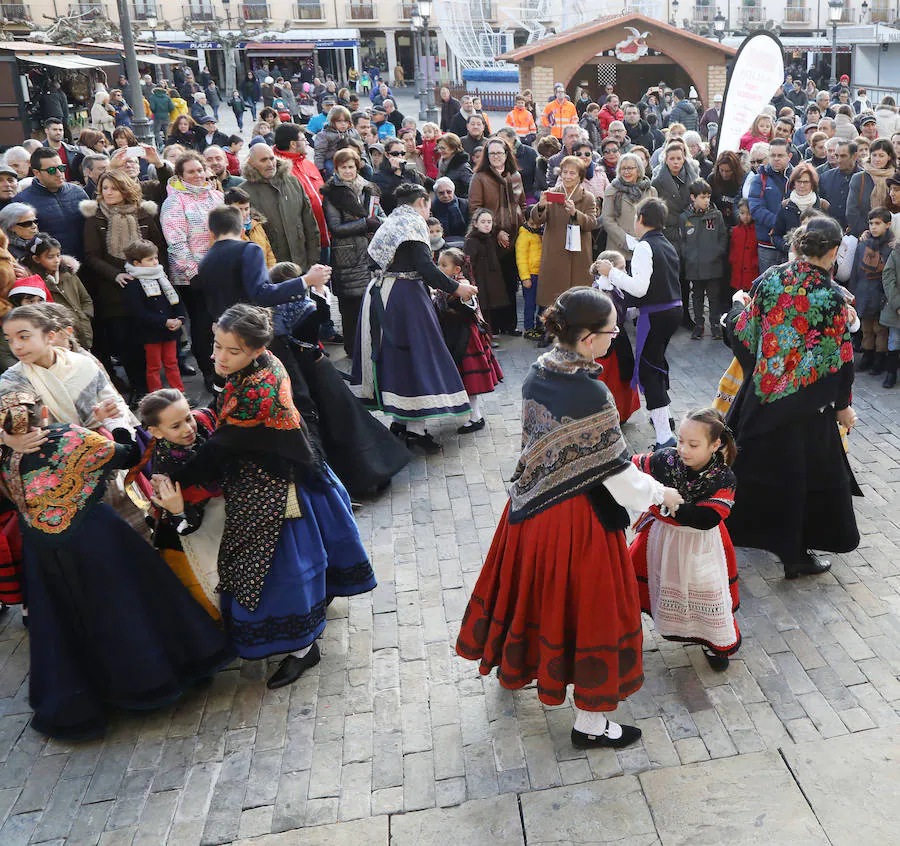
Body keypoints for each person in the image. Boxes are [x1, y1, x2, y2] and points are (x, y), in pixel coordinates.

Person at [455, 287, 683, 749]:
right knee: (595, 613)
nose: (615, 337)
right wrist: (663, 494)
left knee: (529, 597)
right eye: (610, 331)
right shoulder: (591, 392)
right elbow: (617, 476)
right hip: (577, 521)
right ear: (585, 340)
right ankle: (592, 726)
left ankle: (514, 668)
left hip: (528, 510)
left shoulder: (540, 369)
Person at [156, 304, 376, 688]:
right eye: (217, 345)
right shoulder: (262, 363)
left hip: (273, 486)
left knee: (273, 572)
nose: (218, 357)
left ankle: (304, 648)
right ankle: (315, 612)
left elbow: (221, 448)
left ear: (257, 349)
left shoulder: (255, 390)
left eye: (231, 351)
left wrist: (178, 478)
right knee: (304, 558)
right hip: (291, 465)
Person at [0, 386, 233, 739]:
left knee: (64, 619)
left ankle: (89, 694)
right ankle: (151, 679)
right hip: (95, 537)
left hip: (42, 549)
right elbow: (127, 456)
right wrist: (112, 422)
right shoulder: (71, 437)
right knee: (126, 604)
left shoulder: (5, 455)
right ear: (42, 413)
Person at [724, 216, 859, 579]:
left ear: (798, 244)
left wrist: (735, 309)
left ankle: (732, 533)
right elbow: (840, 358)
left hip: (762, 397)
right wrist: (843, 406)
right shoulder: (832, 297)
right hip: (807, 406)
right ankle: (795, 555)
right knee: (803, 480)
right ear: (832, 251)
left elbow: (745, 335)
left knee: (757, 470)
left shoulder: (771, 278)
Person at [350, 183, 477, 450]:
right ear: (421, 201)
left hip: (381, 293)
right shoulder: (413, 223)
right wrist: (458, 288)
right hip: (403, 298)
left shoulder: (392, 220)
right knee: (418, 355)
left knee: (395, 356)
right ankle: (416, 430)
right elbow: (425, 267)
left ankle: (401, 421)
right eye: (428, 203)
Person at [629, 408, 741, 671]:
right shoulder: (664, 460)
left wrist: (671, 503)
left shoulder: (724, 478)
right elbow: (631, 467)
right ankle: (624, 635)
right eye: (680, 440)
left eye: (693, 444)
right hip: (658, 538)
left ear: (715, 444)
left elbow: (707, 520)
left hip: (700, 546)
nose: (683, 449)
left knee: (705, 591)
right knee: (630, 583)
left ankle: (713, 641)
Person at [597, 198, 683, 449]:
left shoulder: (646, 246)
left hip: (656, 314)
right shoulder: (664, 243)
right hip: (672, 311)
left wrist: (610, 273)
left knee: (648, 370)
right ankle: (664, 419)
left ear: (641, 219)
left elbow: (640, 287)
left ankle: (664, 437)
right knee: (657, 364)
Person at [159, 151, 223, 389]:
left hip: (220, 270)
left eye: (199, 170)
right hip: (192, 276)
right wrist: (194, 271)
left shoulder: (216, 196)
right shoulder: (175, 201)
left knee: (223, 319)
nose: (197, 175)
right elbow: (175, 241)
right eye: (191, 172)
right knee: (203, 323)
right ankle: (208, 371)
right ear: (180, 175)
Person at [320, 147, 382, 356]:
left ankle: (371, 345)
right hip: (347, 254)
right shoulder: (331, 193)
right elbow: (336, 228)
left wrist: (375, 222)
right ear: (336, 169)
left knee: (370, 301)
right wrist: (366, 223)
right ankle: (353, 349)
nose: (348, 171)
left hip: (370, 253)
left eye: (351, 167)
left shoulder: (368, 188)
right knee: (350, 305)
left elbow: (381, 215)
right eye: (343, 167)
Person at [435, 247, 502, 434]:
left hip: (465, 337)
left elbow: (469, 308)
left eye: (444, 265)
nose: (439, 268)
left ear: (457, 269)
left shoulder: (461, 285)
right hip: (454, 335)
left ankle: (475, 417)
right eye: (439, 264)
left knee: (469, 377)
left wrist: (453, 301)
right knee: (462, 377)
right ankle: (471, 414)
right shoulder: (448, 285)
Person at [531, 154, 598, 328]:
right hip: (555, 251)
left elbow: (592, 223)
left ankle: (576, 329)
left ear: (580, 176)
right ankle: (550, 329)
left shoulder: (588, 197)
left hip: (579, 253)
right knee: (551, 295)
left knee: (578, 295)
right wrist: (541, 206)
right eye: (565, 172)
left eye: (572, 173)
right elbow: (537, 220)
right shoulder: (552, 193)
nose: (567, 176)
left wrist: (576, 213)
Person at [469, 138, 526, 335]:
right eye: (492, 153)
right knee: (494, 283)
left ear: (507, 154)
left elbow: (522, 205)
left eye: (500, 153)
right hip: (490, 239)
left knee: (511, 282)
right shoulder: (480, 178)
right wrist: (496, 231)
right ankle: (494, 327)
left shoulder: (516, 176)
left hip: (515, 237)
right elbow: (475, 209)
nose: (496, 157)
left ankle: (510, 325)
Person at [241, 144, 320, 272]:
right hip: (271, 271)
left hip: (302, 266)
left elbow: (310, 225)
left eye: (271, 158)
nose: (270, 164)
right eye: (263, 160)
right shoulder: (244, 192)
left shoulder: (293, 182)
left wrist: (313, 261)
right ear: (251, 163)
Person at [122, 238, 185, 393]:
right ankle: (157, 396)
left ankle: (179, 393)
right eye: (150, 259)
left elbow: (176, 300)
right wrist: (164, 321)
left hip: (169, 332)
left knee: (172, 362)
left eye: (156, 258)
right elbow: (138, 312)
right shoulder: (133, 284)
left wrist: (180, 318)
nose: (155, 262)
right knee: (154, 366)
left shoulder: (161, 276)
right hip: (150, 334)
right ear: (136, 263)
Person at [18, 148, 88, 261]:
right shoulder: (22, 201)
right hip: (52, 268)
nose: (59, 174)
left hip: (87, 262)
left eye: (61, 168)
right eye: (51, 170)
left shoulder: (78, 192)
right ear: (36, 173)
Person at [25, 233, 93, 349]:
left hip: (83, 331)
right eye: (50, 257)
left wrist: (84, 315)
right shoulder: (35, 283)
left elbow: (85, 299)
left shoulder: (69, 274)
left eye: (58, 255)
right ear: (36, 259)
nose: (56, 260)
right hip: (59, 339)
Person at [681, 179, 728, 341]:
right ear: (693, 197)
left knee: (714, 296)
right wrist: (688, 255)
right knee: (697, 296)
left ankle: (715, 325)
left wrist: (718, 252)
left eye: (708, 197)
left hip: (713, 264)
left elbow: (723, 236)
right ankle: (699, 325)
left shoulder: (716, 215)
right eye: (703, 197)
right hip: (694, 265)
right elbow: (682, 241)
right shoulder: (685, 217)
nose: (706, 200)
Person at [850, 207, 894, 377]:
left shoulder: (892, 247)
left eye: (878, 223)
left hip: (882, 294)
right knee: (867, 329)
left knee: (880, 330)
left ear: (888, 224)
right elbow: (855, 270)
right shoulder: (863, 245)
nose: (874, 227)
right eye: (871, 223)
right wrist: (853, 292)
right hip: (864, 293)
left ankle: (879, 359)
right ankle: (867, 356)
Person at [748, 137, 793, 274]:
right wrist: (779, 224)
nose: (776, 159)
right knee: (768, 289)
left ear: (789, 156)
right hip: (768, 244)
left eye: (780, 155)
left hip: (792, 244)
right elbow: (756, 209)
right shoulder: (759, 179)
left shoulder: (798, 177)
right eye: (773, 155)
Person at [602, 153, 658, 260]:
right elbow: (607, 219)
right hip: (618, 250)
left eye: (630, 168)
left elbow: (655, 220)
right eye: (623, 168)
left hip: (644, 247)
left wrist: (644, 239)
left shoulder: (650, 191)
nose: (626, 172)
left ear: (638, 170)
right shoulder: (612, 190)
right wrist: (626, 240)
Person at [464, 208, 508, 334]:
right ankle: (485, 336)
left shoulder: (490, 239)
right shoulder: (471, 241)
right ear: (475, 224)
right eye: (483, 221)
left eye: (489, 221)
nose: (487, 224)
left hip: (491, 279)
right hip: (480, 280)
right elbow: (469, 264)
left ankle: (489, 334)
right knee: (482, 308)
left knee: (490, 308)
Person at [771, 163, 827, 260]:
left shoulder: (822, 205)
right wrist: (788, 247)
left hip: (816, 260)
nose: (802, 185)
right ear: (793, 183)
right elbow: (775, 236)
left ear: (812, 184)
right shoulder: (785, 206)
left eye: (806, 182)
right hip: (790, 261)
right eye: (798, 181)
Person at [847, 137, 896, 237]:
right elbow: (852, 211)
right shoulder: (859, 178)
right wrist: (864, 231)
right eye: (874, 155)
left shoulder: (896, 178)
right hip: (865, 234)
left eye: (881, 156)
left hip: (893, 234)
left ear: (889, 156)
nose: (877, 159)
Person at [224, 186, 276, 268]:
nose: (244, 213)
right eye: (239, 209)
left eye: (246, 209)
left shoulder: (256, 225)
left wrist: (271, 274)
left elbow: (269, 252)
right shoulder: (224, 231)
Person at [372, 137, 425, 215]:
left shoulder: (410, 172)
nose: (400, 156)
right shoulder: (378, 176)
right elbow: (388, 199)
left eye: (403, 153)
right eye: (395, 154)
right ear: (387, 155)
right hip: (391, 215)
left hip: (413, 214)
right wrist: (397, 174)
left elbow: (420, 192)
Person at [516, 213, 543, 340]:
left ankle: (540, 325)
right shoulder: (524, 236)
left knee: (542, 302)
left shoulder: (541, 234)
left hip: (541, 273)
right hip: (530, 275)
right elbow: (521, 259)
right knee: (530, 304)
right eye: (532, 223)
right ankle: (528, 328)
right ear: (526, 221)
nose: (536, 226)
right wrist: (525, 278)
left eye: (538, 223)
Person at [729, 200, 759, 293]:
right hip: (737, 271)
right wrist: (733, 258)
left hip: (752, 271)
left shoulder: (757, 230)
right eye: (742, 213)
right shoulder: (735, 230)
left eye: (749, 213)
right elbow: (732, 248)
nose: (745, 216)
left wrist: (755, 262)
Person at [431, 177, 469, 244]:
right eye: (441, 193)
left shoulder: (465, 204)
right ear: (436, 194)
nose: (445, 195)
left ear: (453, 191)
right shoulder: (432, 208)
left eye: (449, 192)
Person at [436, 133, 473, 198]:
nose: (440, 151)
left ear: (453, 149)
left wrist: (460, 201)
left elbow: (471, 188)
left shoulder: (463, 167)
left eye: (443, 148)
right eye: (439, 148)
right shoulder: (441, 163)